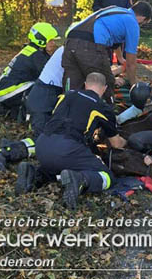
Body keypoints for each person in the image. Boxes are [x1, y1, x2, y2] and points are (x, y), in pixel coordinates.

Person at [15, 73, 127, 210]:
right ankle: (81, 179)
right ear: (104, 88)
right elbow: (116, 143)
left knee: (60, 165)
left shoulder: (67, 95)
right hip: (67, 147)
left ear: (86, 84)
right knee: (108, 177)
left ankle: (33, 173)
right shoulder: (102, 108)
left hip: (42, 144)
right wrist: (127, 142)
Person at [62, 1, 152, 101]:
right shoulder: (132, 23)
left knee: (73, 85)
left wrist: (120, 59)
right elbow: (131, 63)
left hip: (71, 41)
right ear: (143, 19)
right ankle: (105, 111)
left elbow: (116, 41)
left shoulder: (117, 10)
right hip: (90, 45)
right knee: (104, 82)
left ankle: (68, 110)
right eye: (143, 24)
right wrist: (135, 86)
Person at [0, 22, 59, 121]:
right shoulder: (37, 56)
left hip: (6, 91)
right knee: (44, 87)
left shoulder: (30, 50)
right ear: (41, 41)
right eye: (50, 41)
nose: (53, 43)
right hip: (11, 92)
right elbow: (50, 77)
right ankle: (30, 117)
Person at [25, 22, 79, 138]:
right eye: (50, 40)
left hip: (43, 97)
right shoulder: (67, 52)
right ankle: (9, 152)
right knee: (43, 139)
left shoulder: (66, 50)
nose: (53, 43)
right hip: (42, 101)